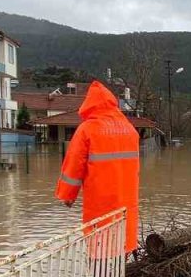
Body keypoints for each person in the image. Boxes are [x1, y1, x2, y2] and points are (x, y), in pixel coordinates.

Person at [55, 81, 140, 254]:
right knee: (123, 243)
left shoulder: (87, 129)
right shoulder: (130, 130)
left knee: (100, 248)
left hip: (100, 202)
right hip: (127, 199)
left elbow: (74, 165)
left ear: (89, 105)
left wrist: (67, 195)